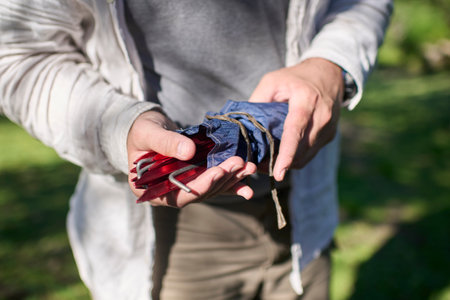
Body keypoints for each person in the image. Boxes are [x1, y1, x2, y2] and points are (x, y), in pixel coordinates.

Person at [0, 1, 392, 299]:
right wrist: (118, 127)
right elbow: (15, 53)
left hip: (305, 213)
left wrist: (330, 63)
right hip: (171, 242)